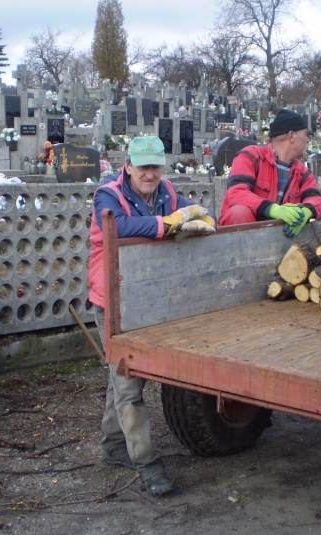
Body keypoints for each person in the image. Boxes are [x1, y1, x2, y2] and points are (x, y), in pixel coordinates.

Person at [88, 136, 215, 496]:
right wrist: (167, 224)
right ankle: (147, 465)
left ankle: (113, 447)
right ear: (127, 166)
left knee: (126, 375)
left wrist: (201, 217)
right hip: (111, 298)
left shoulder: (167, 191)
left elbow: (196, 211)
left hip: (146, 296)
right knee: (127, 381)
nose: (150, 173)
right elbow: (118, 228)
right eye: (143, 166)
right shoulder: (107, 194)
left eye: (155, 166)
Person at [219, 108, 321, 236]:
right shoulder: (251, 156)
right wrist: (273, 209)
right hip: (242, 239)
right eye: (305, 134)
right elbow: (236, 193)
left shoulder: (303, 173)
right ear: (291, 136)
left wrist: (308, 211)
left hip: (280, 240)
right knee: (239, 212)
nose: (308, 140)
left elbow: (316, 199)